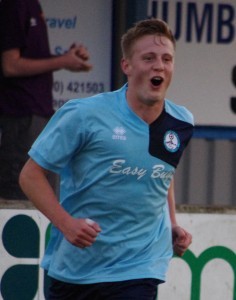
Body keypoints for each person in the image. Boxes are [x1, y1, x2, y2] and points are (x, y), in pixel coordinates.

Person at [19, 18, 194, 300]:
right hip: (75, 270)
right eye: (148, 58)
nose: (158, 66)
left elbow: (162, 171)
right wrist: (65, 223)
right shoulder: (84, 115)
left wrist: (172, 223)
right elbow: (30, 175)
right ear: (127, 66)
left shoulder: (182, 121)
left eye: (166, 59)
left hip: (139, 268)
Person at [0, 0, 92, 200]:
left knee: (46, 193)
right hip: (21, 115)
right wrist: (63, 61)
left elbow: (30, 57)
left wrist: (68, 57)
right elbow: (10, 65)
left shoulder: (32, 4)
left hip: (39, 114)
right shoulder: (15, 5)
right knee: (22, 194)